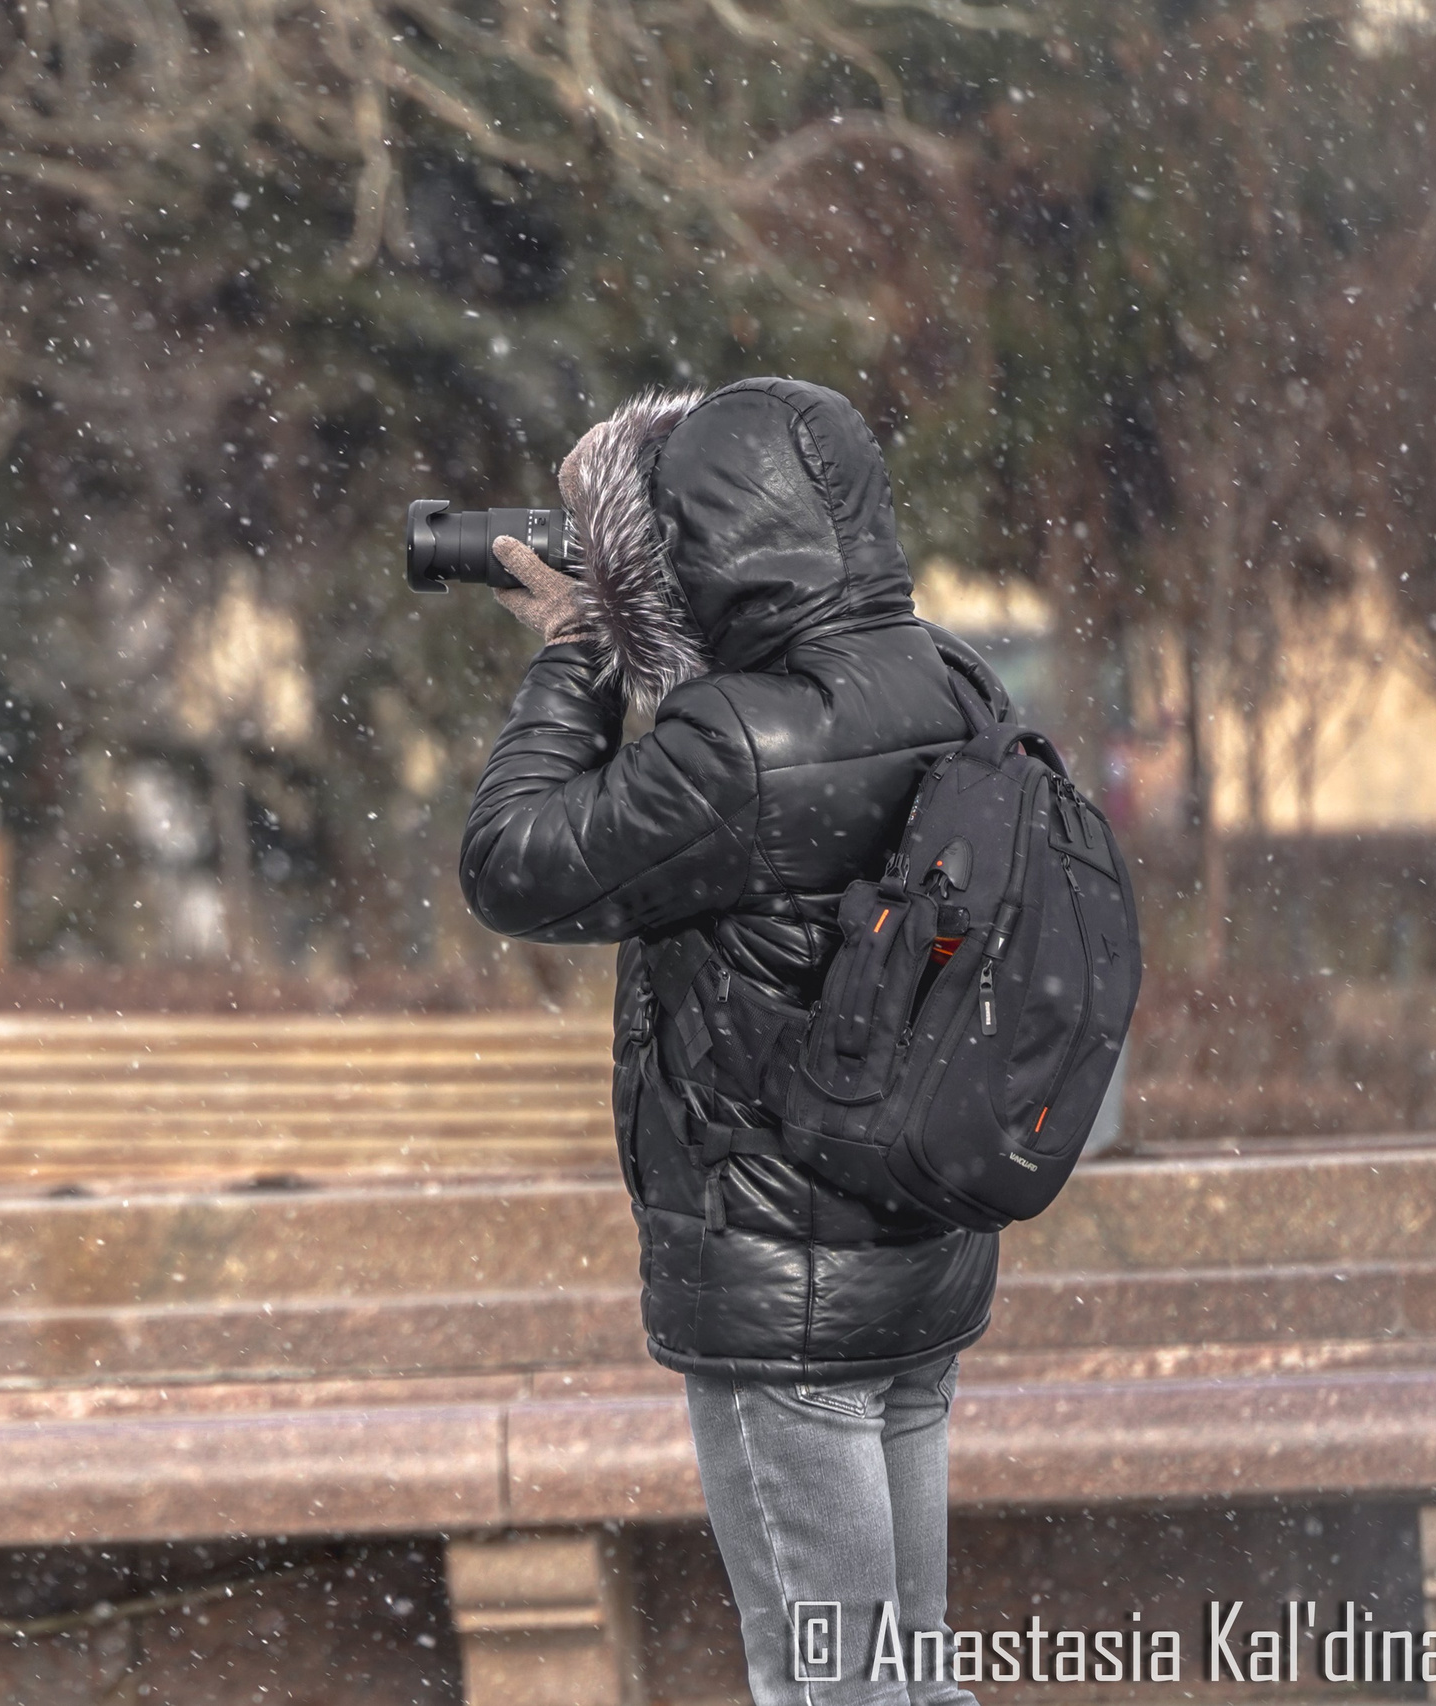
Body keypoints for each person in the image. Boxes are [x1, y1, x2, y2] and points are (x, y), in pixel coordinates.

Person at [459, 377, 1005, 1706]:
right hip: (916, 1258)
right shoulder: (951, 683)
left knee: (825, 1683)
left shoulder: (746, 746)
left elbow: (514, 860)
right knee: (902, 1676)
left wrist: (583, 649)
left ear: (695, 554)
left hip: (784, 1284)